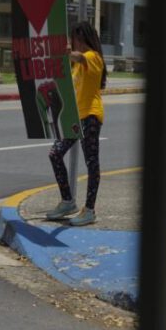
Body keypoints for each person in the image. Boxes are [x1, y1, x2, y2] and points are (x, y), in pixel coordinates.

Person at [46, 21, 107, 226]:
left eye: (75, 39)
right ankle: (67, 201)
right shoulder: (76, 65)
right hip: (75, 117)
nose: (74, 42)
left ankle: (89, 210)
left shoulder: (94, 57)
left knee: (91, 162)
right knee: (55, 154)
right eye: (73, 39)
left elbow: (80, 57)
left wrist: (68, 53)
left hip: (91, 115)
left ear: (83, 39)